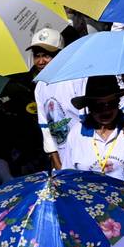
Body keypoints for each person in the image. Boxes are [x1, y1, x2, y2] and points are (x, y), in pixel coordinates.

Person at [62, 75, 124, 190]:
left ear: (118, 103)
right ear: (89, 107)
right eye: (99, 106)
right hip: (93, 202)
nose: (106, 111)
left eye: (111, 104)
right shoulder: (76, 133)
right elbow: (68, 177)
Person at [30, 29, 86, 170]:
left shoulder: (77, 78)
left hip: (85, 154)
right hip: (62, 161)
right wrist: (57, 162)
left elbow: (87, 118)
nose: (41, 61)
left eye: (47, 56)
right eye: (37, 56)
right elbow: (46, 129)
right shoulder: (40, 87)